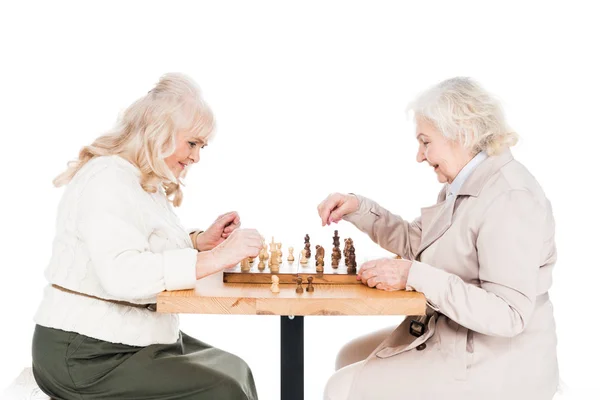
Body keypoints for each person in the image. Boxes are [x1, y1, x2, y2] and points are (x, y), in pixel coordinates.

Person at [317, 77, 559, 399]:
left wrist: (413, 275)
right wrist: (360, 209)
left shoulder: (510, 198)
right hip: (459, 337)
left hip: (495, 361)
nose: (419, 155)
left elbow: (508, 314)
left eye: (425, 142)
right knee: (347, 356)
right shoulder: (464, 185)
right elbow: (421, 244)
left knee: (341, 388)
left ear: (461, 134)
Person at [32, 73, 263, 399]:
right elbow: (124, 275)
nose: (196, 157)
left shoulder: (139, 179)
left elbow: (141, 245)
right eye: (192, 143)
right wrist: (215, 258)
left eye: (201, 146)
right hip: (86, 353)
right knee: (223, 388)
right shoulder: (107, 179)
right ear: (161, 132)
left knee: (236, 369)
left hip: (129, 339)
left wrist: (199, 242)